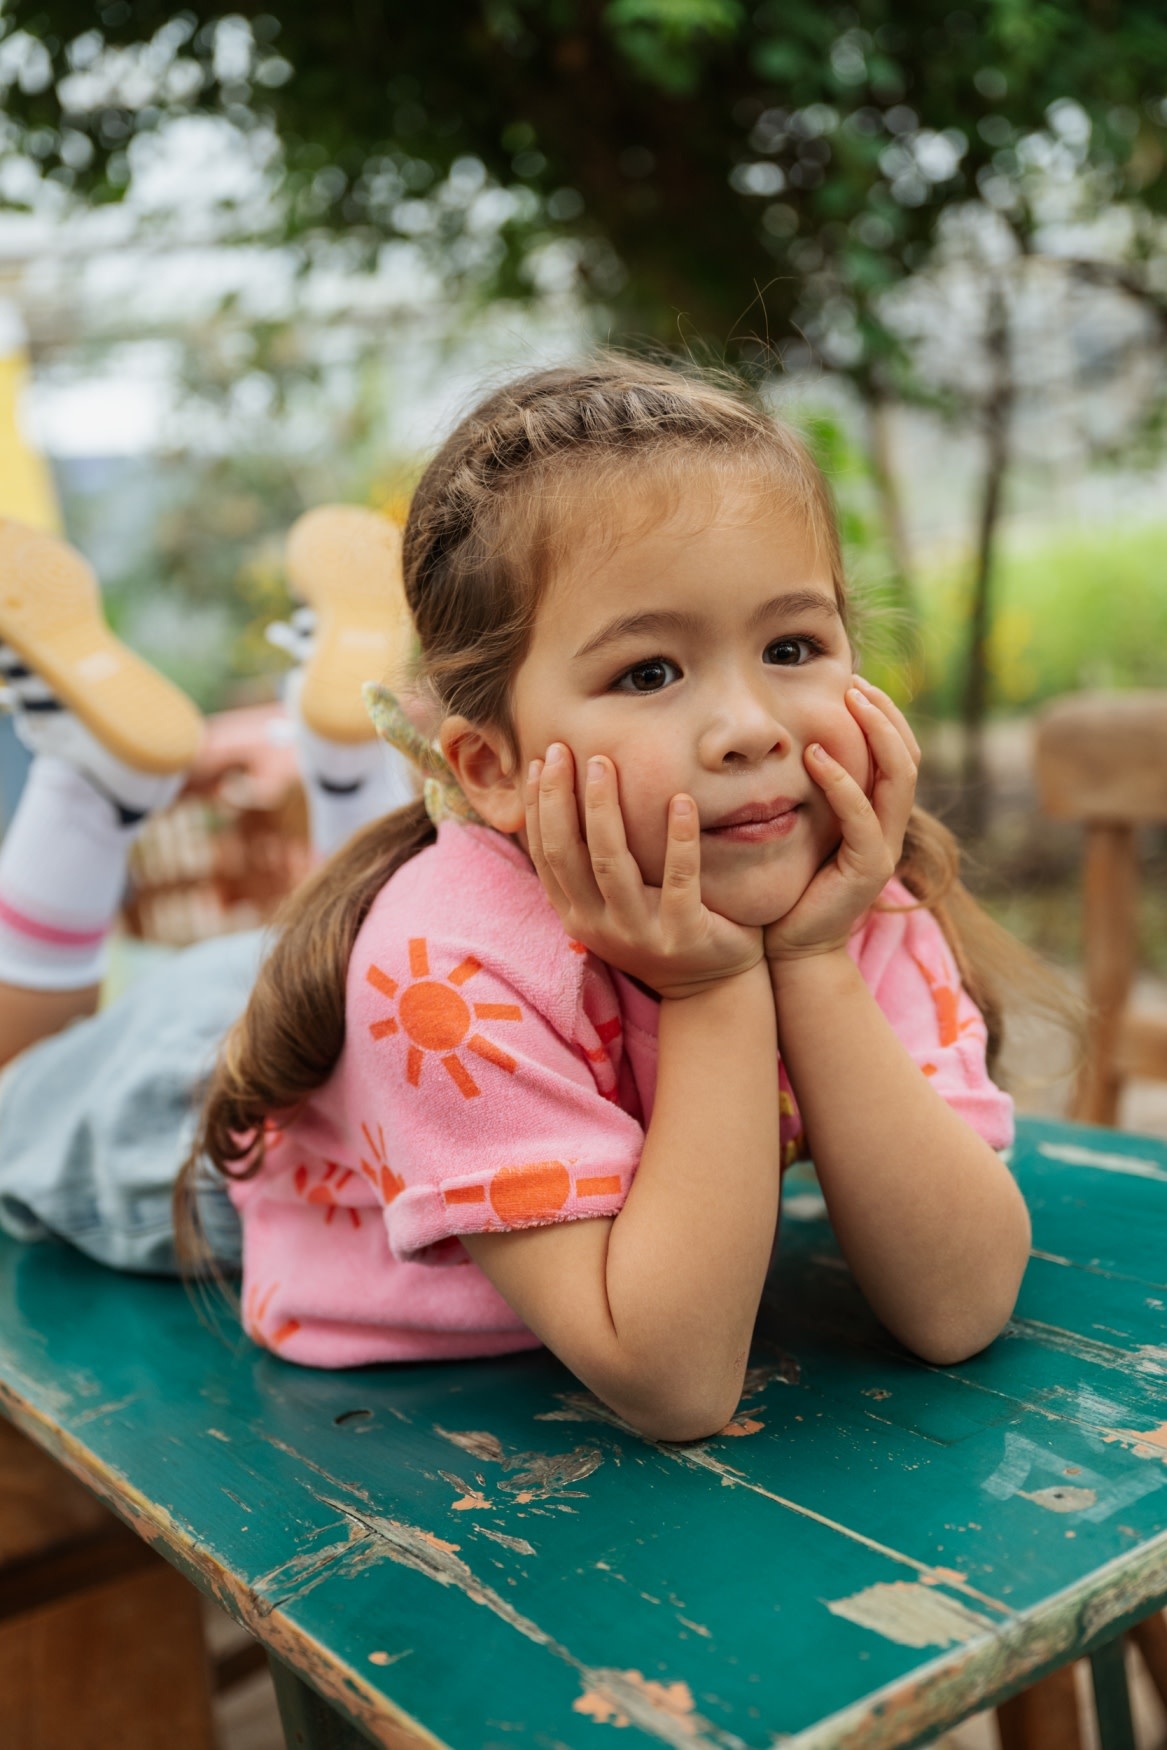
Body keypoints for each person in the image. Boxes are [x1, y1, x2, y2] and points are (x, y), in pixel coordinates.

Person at [0, 359, 1046, 1444]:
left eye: (792, 647)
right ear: (492, 769)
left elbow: (958, 1306)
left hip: (381, 1013)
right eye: (648, 673)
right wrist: (719, 983)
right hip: (216, 1125)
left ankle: (341, 763)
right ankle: (92, 791)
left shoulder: (849, 895)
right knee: (9, 1085)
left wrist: (813, 964)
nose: (751, 725)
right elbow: (677, 1384)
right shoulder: (439, 966)